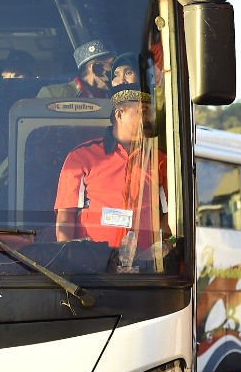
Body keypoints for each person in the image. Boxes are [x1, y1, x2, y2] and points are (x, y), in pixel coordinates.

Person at [54, 84, 165, 254]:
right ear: (119, 114)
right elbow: (65, 216)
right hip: (92, 267)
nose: (149, 120)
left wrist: (160, 250)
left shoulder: (160, 160)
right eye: (143, 113)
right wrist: (68, 260)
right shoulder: (82, 156)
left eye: (151, 114)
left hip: (144, 268)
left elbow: (171, 216)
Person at [38, 39, 114, 99]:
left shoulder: (115, 98)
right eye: (112, 64)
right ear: (96, 68)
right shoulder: (54, 95)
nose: (117, 70)